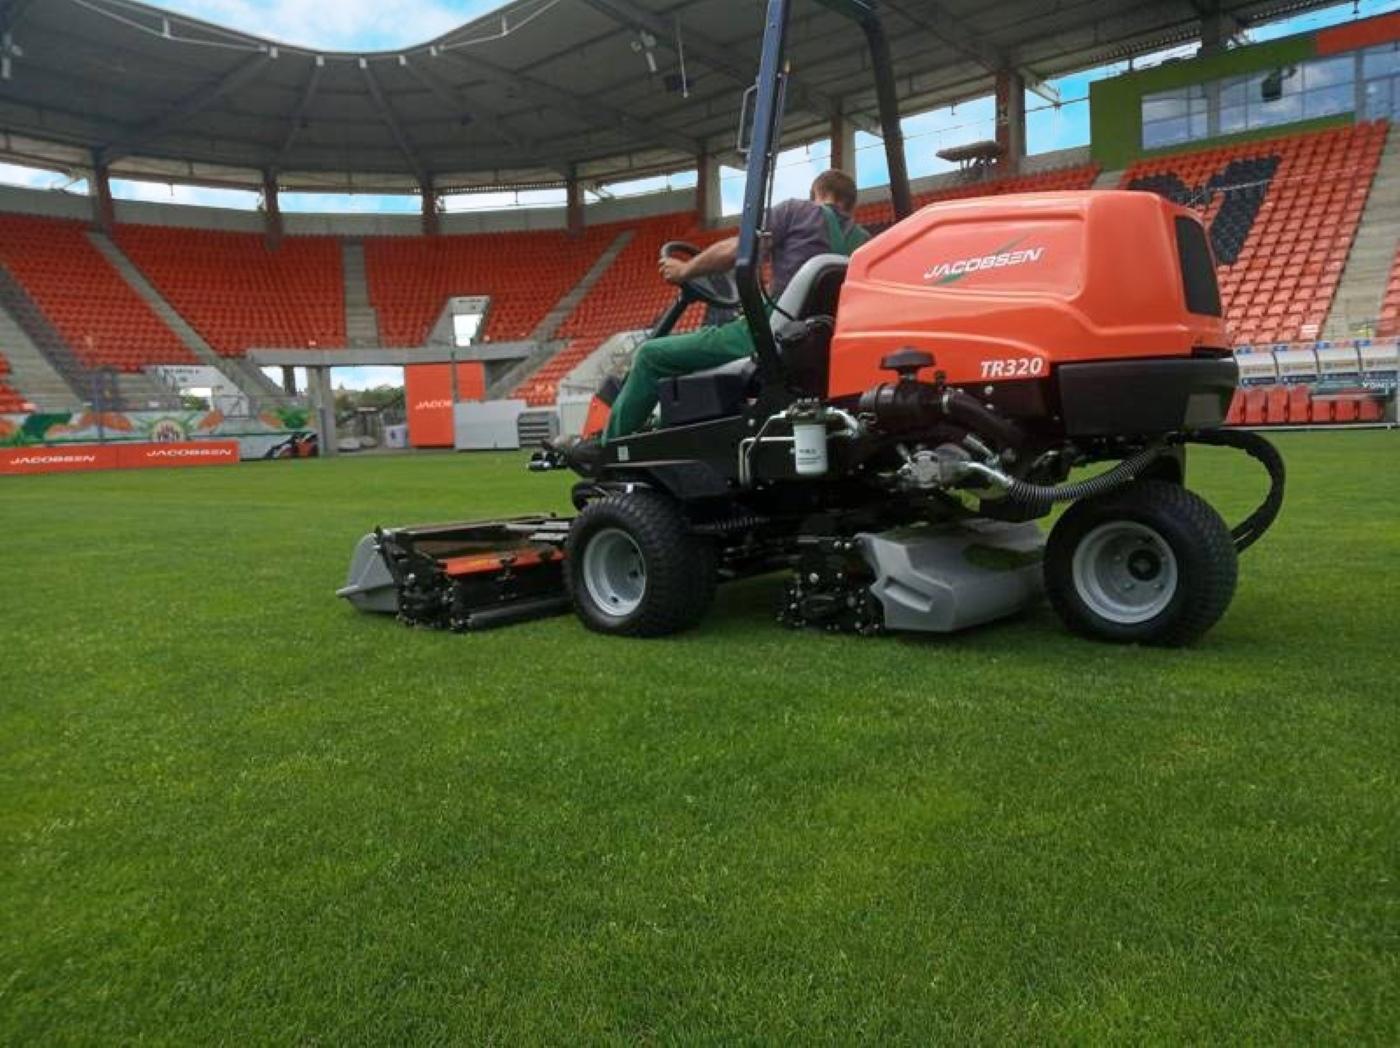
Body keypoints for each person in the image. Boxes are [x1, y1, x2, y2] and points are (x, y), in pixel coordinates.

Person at [600, 168, 870, 443]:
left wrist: (685, 271)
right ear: (851, 204)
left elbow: (738, 250)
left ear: (817, 193)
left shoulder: (797, 211)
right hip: (821, 349)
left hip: (771, 337)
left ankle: (606, 449)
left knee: (650, 356)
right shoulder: (865, 244)